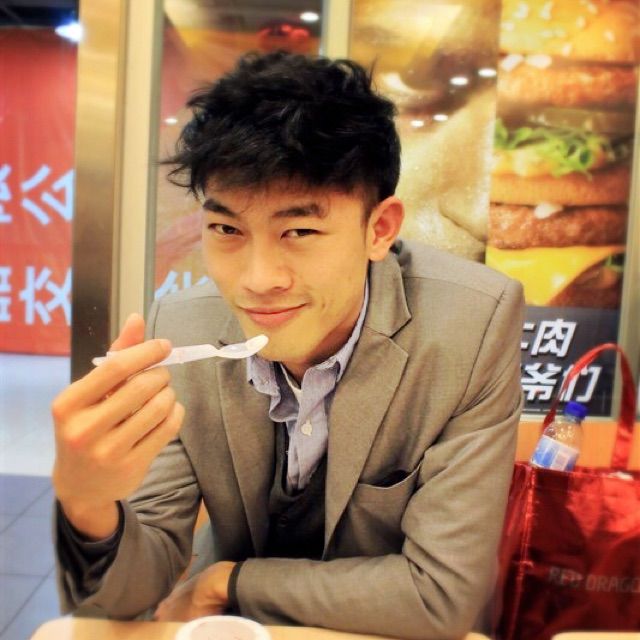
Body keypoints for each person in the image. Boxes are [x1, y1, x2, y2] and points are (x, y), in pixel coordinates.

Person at [52, 51, 524, 640]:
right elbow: (130, 598)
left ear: (379, 229)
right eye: (227, 229)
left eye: (299, 230)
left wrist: (231, 581)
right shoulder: (183, 327)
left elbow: (439, 596)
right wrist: (88, 501)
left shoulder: (470, 325)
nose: (257, 280)